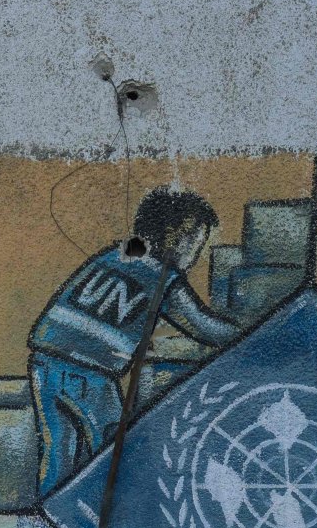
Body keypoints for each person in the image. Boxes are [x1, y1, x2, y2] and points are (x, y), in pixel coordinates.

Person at [29, 187, 242, 495]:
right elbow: (203, 326)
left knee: (57, 449)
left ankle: (46, 514)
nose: (196, 254)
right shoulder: (164, 277)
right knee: (113, 450)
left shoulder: (122, 252)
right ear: (175, 236)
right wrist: (253, 331)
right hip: (91, 372)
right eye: (196, 242)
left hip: (45, 358)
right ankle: (108, 519)